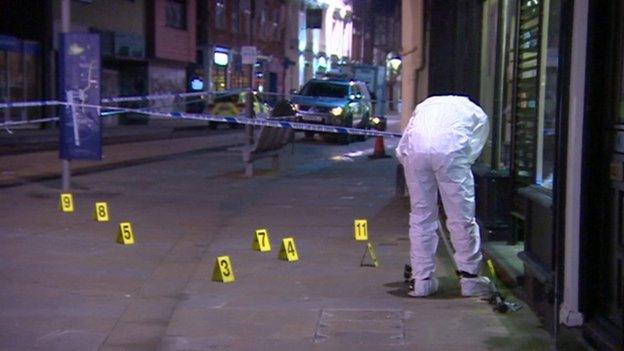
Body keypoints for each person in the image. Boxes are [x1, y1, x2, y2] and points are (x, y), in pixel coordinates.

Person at [395, 95, 491, 297]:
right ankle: (470, 278)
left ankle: (421, 281)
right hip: (451, 151)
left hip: (416, 153)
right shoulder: (477, 113)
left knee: (421, 217)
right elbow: (472, 151)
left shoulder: (425, 106)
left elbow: (404, 145)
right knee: (461, 217)